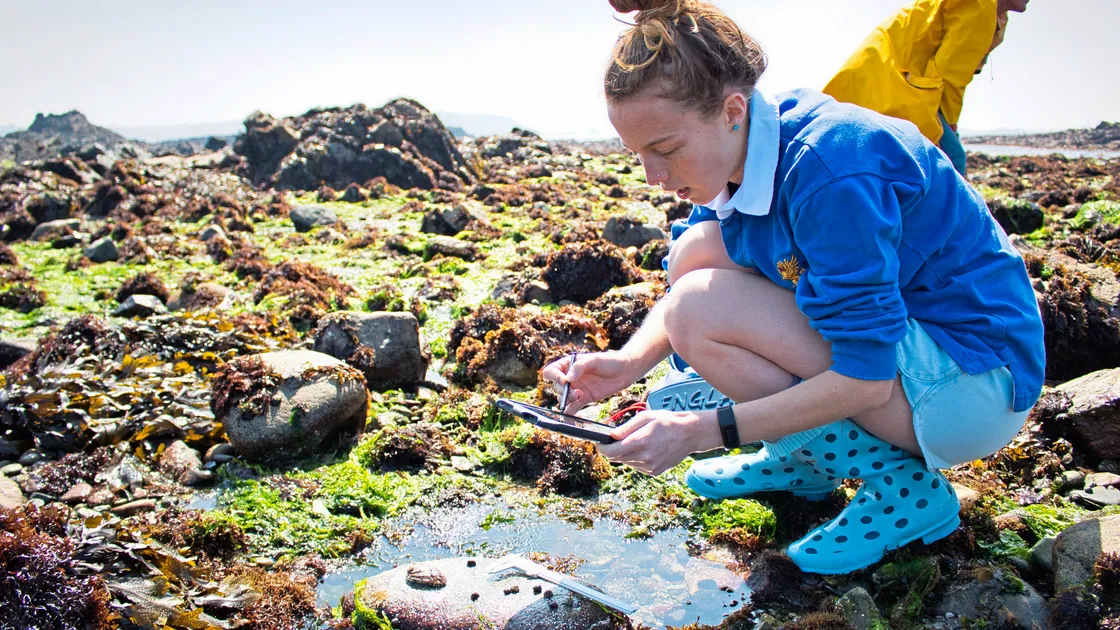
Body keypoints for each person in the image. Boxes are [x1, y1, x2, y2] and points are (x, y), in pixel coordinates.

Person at [541, 0, 1044, 575]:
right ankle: (806, 460)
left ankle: (901, 488)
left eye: (666, 149)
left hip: (972, 387)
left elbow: (867, 378)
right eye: (639, 155)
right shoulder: (752, 141)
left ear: (732, 108)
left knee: (699, 310)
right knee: (693, 254)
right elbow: (694, 268)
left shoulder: (832, 172)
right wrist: (628, 363)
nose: (653, 176)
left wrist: (706, 430)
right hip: (921, 349)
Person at [822, 0, 1030, 175]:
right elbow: (951, 75)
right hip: (891, 82)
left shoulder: (996, 17)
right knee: (951, 159)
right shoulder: (981, 5)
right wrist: (950, 126)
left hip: (885, 80)